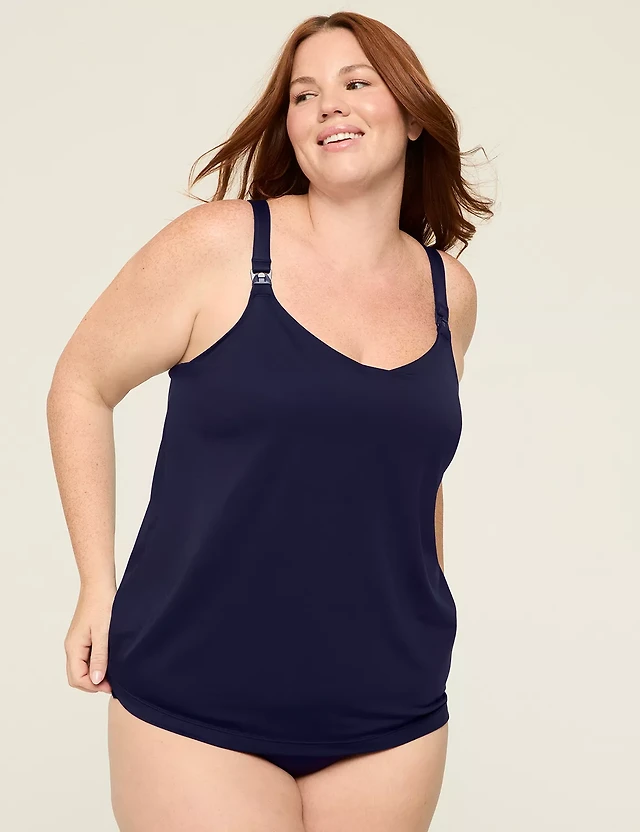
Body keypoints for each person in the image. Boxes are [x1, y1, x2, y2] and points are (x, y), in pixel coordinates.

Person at [47, 11, 488, 831]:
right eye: (304, 94)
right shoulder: (220, 247)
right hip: (197, 695)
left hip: (391, 703)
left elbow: (414, 473)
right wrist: (95, 584)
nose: (329, 105)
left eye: (357, 82)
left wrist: (431, 611)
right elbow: (81, 382)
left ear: (412, 115)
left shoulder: (447, 293)